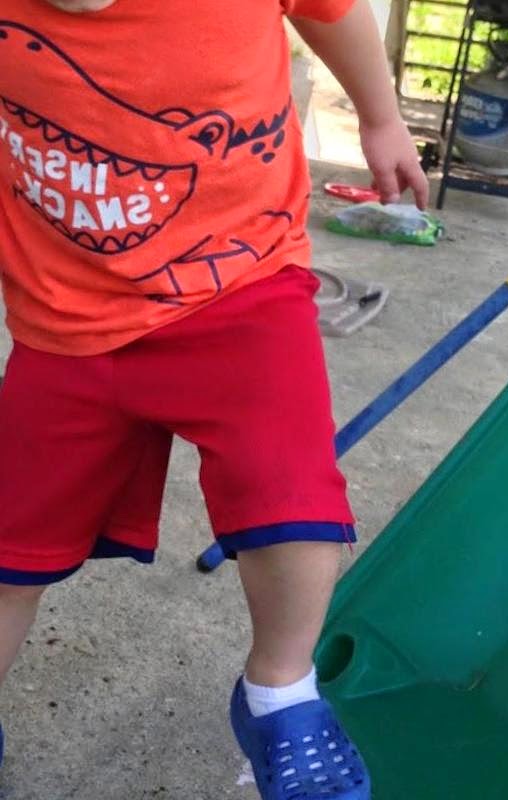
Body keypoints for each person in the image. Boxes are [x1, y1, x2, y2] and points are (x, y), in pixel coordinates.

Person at [0, 0, 428, 797]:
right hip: (63, 314)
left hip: (241, 283)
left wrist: (381, 117)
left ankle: (280, 692)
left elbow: (333, 11)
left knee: (289, 493)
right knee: (8, 546)